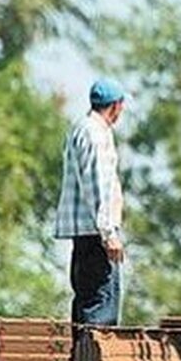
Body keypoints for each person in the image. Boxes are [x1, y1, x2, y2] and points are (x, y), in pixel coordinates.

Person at [55, 78, 128, 327]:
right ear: (116, 106)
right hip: (97, 235)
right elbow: (97, 185)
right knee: (101, 306)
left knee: (87, 303)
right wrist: (109, 234)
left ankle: (82, 352)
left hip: (85, 234)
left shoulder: (81, 128)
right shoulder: (95, 132)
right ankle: (94, 354)